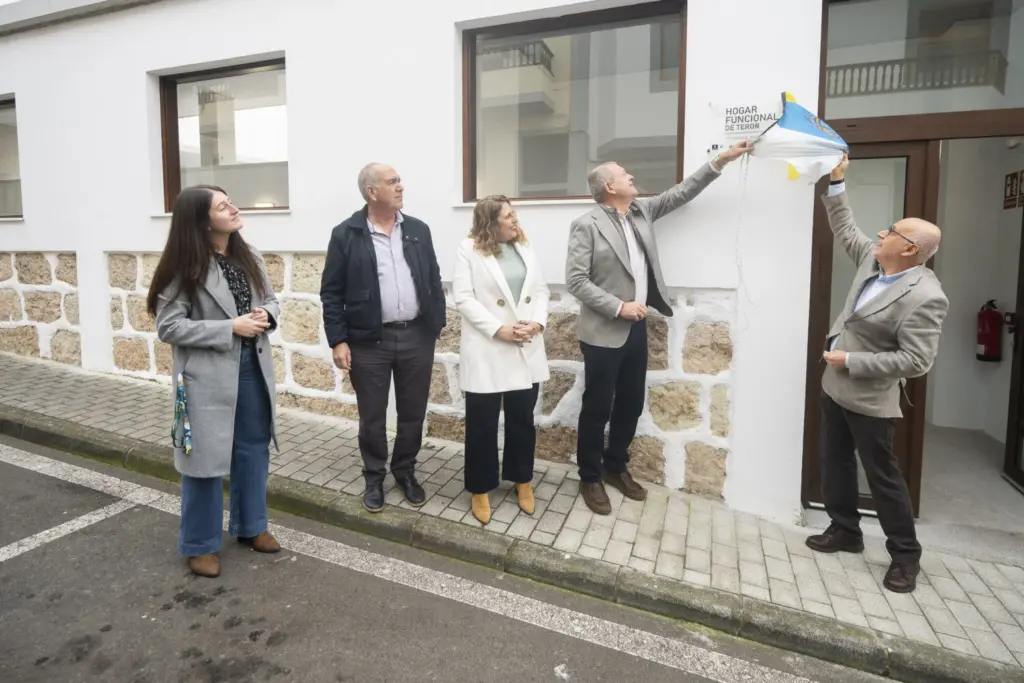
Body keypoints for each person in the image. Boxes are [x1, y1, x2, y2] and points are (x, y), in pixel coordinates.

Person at [565, 141, 754, 515]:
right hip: (604, 331)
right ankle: (590, 476)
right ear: (609, 187)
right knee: (598, 406)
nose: (631, 176)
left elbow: (681, 193)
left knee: (632, 403)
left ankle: (615, 465)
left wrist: (720, 160)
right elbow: (575, 280)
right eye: (623, 174)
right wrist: (619, 307)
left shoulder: (640, 212)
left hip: (636, 329)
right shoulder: (586, 225)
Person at [806, 154, 947, 594]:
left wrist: (851, 361)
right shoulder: (874, 261)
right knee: (835, 461)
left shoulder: (925, 296)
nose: (881, 233)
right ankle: (845, 529)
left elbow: (916, 361)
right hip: (835, 388)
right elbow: (845, 227)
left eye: (892, 231)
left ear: (909, 249)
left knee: (883, 478)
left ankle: (905, 556)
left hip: (870, 398)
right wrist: (836, 182)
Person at [148, 185, 281, 579]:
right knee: (203, 461)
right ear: (203, 222)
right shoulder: (183, 267)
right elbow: (169, 327)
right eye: (223, 206)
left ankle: (251, 526)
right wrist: (230, 327)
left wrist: (265, 317)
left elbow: (272, 300)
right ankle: (200, 544)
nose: (235, 208)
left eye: (230, 201)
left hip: (253, 367)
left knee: (253, 450)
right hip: (205, 376)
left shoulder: (248, 255)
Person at [320, 163, 446, 513]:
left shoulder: (418, 230)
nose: (401, 186)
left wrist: (436, 324)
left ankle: (405, 471)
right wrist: (338, 340)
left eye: (400, 180)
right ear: (372, 192)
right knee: (372, 416)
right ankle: (374, 476)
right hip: (367, 342)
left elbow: (433, 279)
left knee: (412, 414)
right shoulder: (346, 233)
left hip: (417, 337)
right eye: (392, 182)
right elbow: (331, 293)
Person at [452, 195, 550, 524]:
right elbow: (463, 298)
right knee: (482, 424)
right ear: (490, 223)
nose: (514, 220)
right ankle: (480, 488)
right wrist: (498, 329)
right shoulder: (468, 249)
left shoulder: (525, 246)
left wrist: (537, 322)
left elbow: (541, 292)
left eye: (514, 214)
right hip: (488, 347)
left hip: (525, 345)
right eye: (508, 216)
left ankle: (522, 480)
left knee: (522, 419)